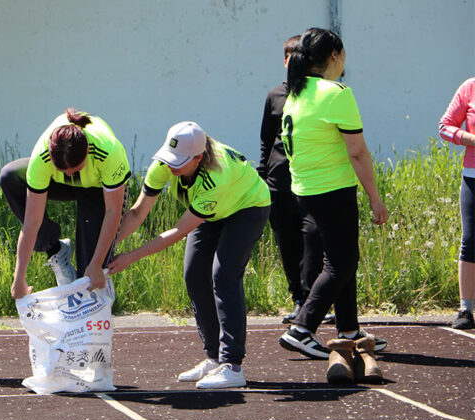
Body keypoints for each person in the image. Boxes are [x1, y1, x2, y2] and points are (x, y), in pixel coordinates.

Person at [109, 122, 270, 389]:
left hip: (247, 207)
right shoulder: (163, 165)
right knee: (194, 274)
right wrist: (107, 247)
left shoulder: (215, 177)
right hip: (213, 211)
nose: (171, 166)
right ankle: (214, 358)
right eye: (170, 158)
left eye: (180, 162)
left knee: (224, 275)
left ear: (198, 158)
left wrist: (130, 257)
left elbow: (178, 230)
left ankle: (232, 365)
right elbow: (137, 213)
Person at [276, 28, 389, 360]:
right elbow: (357, 152)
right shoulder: (336, 93)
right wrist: (375, 197)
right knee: (342, 262)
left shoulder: (296, 92)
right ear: (335, 56)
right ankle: (302, 328)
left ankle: (349, 331)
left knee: (340, 259)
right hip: (332, 189)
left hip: (305, 189)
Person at [0, 108, 130, 299]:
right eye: (63, 169)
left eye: (75, 169)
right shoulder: (41, 157)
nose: (70, 174)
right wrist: (19, 278)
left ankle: (99, 295)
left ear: (87, 151)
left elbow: (113, 211)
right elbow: (31, 222)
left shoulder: (109, 152)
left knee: (89, 277)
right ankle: (56, 250)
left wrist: (96, 264)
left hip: (97, 188)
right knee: (10, 176)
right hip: (61, 185)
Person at [258, 35, 330, 324]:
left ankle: (316, 300)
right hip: (279, 180)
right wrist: (263, 174)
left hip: (312, 180)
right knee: (286, 242)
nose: (293, 61)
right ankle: (298, 299)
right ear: (285, 61)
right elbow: (266, 138)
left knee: (313, 239)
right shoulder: (275, 95)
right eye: (289, 56)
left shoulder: (319, 95)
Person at [439, 77, 475, 330]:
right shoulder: (470, 87)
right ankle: (466, 309)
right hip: (473, 176)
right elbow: (445, 127)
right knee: (471, 240)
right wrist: (471, 139)